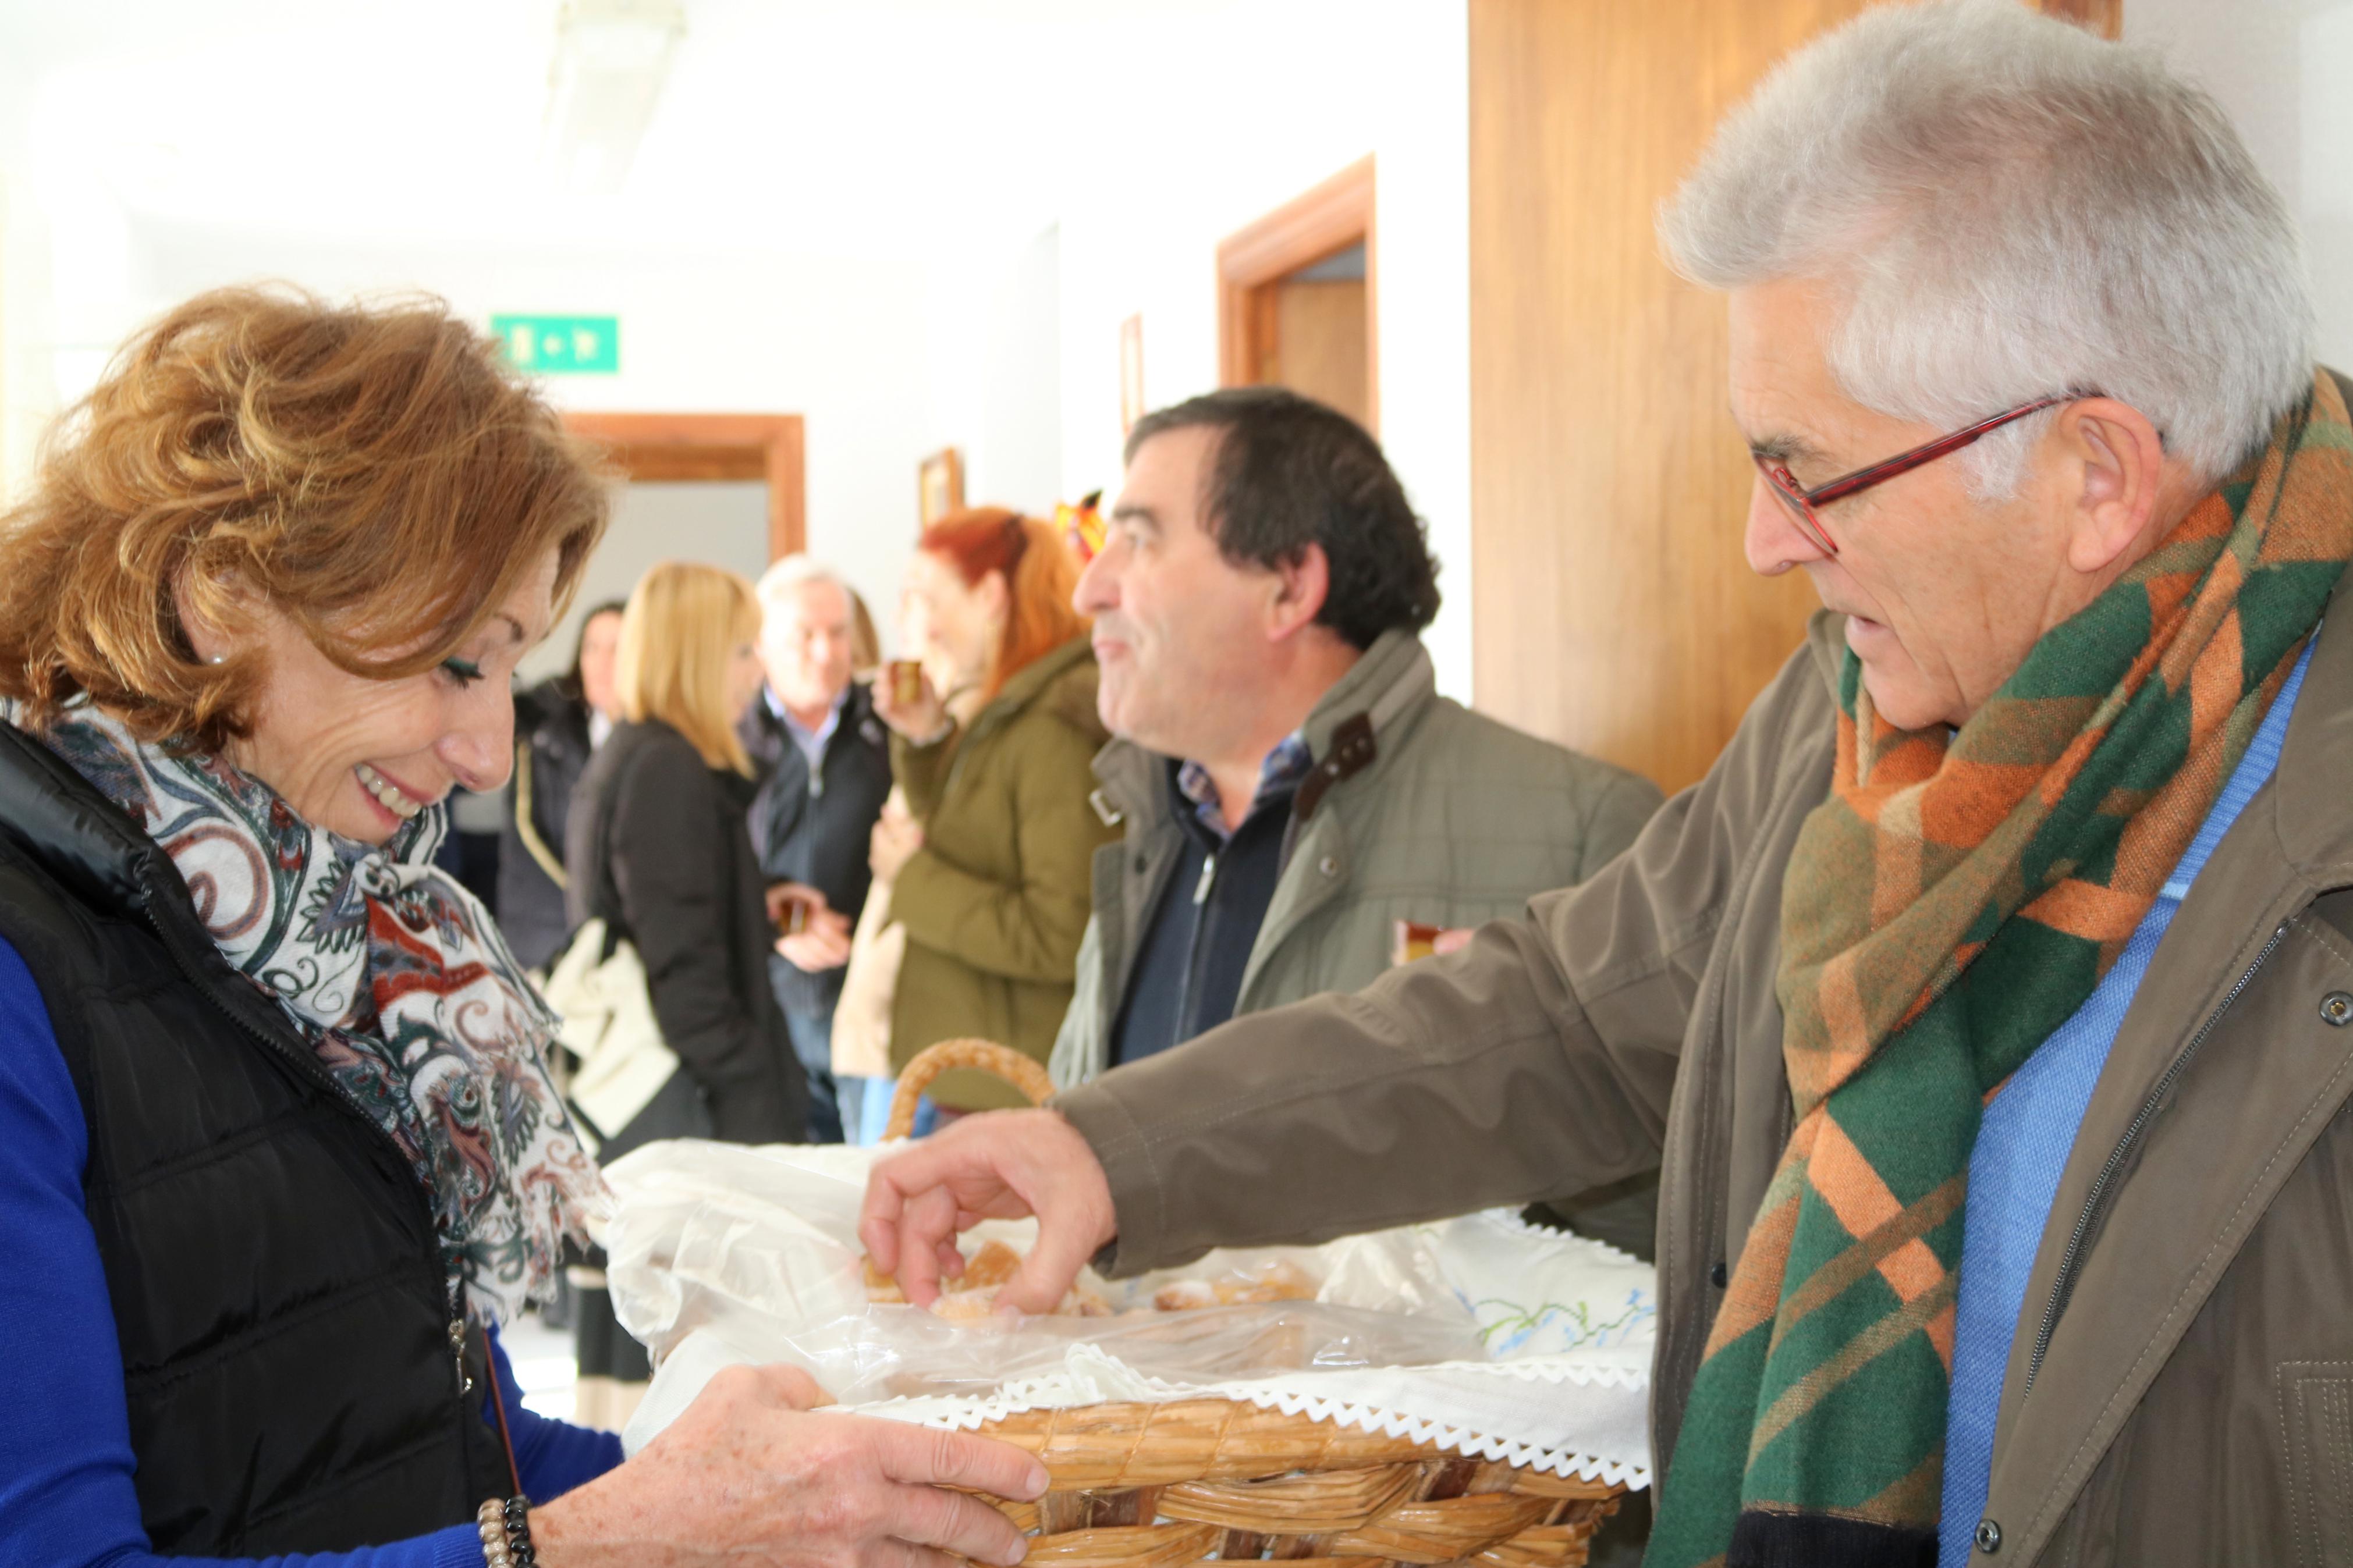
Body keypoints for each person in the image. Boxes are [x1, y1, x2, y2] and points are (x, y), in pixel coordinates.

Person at [862, 6, 2353, 1565]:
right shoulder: (1856, 709)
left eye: (1810, 470)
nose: (1766, 541)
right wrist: (1120, 1147)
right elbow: (1569, 1012)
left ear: (2093, 472)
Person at [0, 289, 1044, 1567]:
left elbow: (429, 1438)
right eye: (455, 661)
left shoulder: (344, 949)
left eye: (509, 663)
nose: (490, 752)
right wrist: (629, 1532)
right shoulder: (28, 959)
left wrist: (770, 1482)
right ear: (223, 594)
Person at [1049, 387, 1664, 1243]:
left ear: (1288, 586)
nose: (1089, 588)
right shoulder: (1148, 828)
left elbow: (1675, 1214)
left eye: (1138, 539)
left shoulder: (1589, 832)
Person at [562, 560, 812, 1426]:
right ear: (702, 653)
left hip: (668, 1103)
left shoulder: (635, 754)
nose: (755, 669)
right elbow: (684, 972)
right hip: (695, 1112)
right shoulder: (664, 766)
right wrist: (758, 1098)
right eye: (742, 648)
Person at [869, 509, 1117, 1114]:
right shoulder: (1009, 707)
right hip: (978, 1080)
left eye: (927, 599)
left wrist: (910, 879)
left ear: (989, 595)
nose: (917, 626)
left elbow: (1058, 935)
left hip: (1008, 1095)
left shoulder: (1050, 730)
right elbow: (971, 841)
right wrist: (928, 738)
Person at [741, 556, 892, 1143]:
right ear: (762, 645)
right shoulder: (728, 736)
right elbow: (707, 870)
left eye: (837, 632)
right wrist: (778, 912)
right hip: (769, 1011)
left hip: (868, 1012)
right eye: (804, 634)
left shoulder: (888, 726)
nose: (825, 652)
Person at [498, 598, 625, 972]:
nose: (602, 662)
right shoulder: (541, 732)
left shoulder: (660, 743)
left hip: (625, 942)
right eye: (592, 647)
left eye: (618, 648)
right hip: (545, 936)